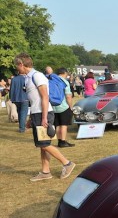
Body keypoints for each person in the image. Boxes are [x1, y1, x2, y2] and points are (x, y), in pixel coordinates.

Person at [13, 53, 76, 182]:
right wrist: (31, 118)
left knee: (44, 144)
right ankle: (45, 171)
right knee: (43, 144)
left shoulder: (37, 76)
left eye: (17, 66)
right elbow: (34, 100)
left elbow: (45, 97)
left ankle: (67, 163)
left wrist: (44, 117)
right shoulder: (28, 78)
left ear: (21, 64)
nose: (16, 69)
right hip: (38, 113)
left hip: (43, 113)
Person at [54, 68, 75, 148]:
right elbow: (68, 96)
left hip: (54, 106)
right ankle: (63, 141)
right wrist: (70, 106)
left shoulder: (52, 81)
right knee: (64, 124)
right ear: (64, 73)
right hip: (63, 106)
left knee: (57, 125)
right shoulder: (64, 82)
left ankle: (59, 141)